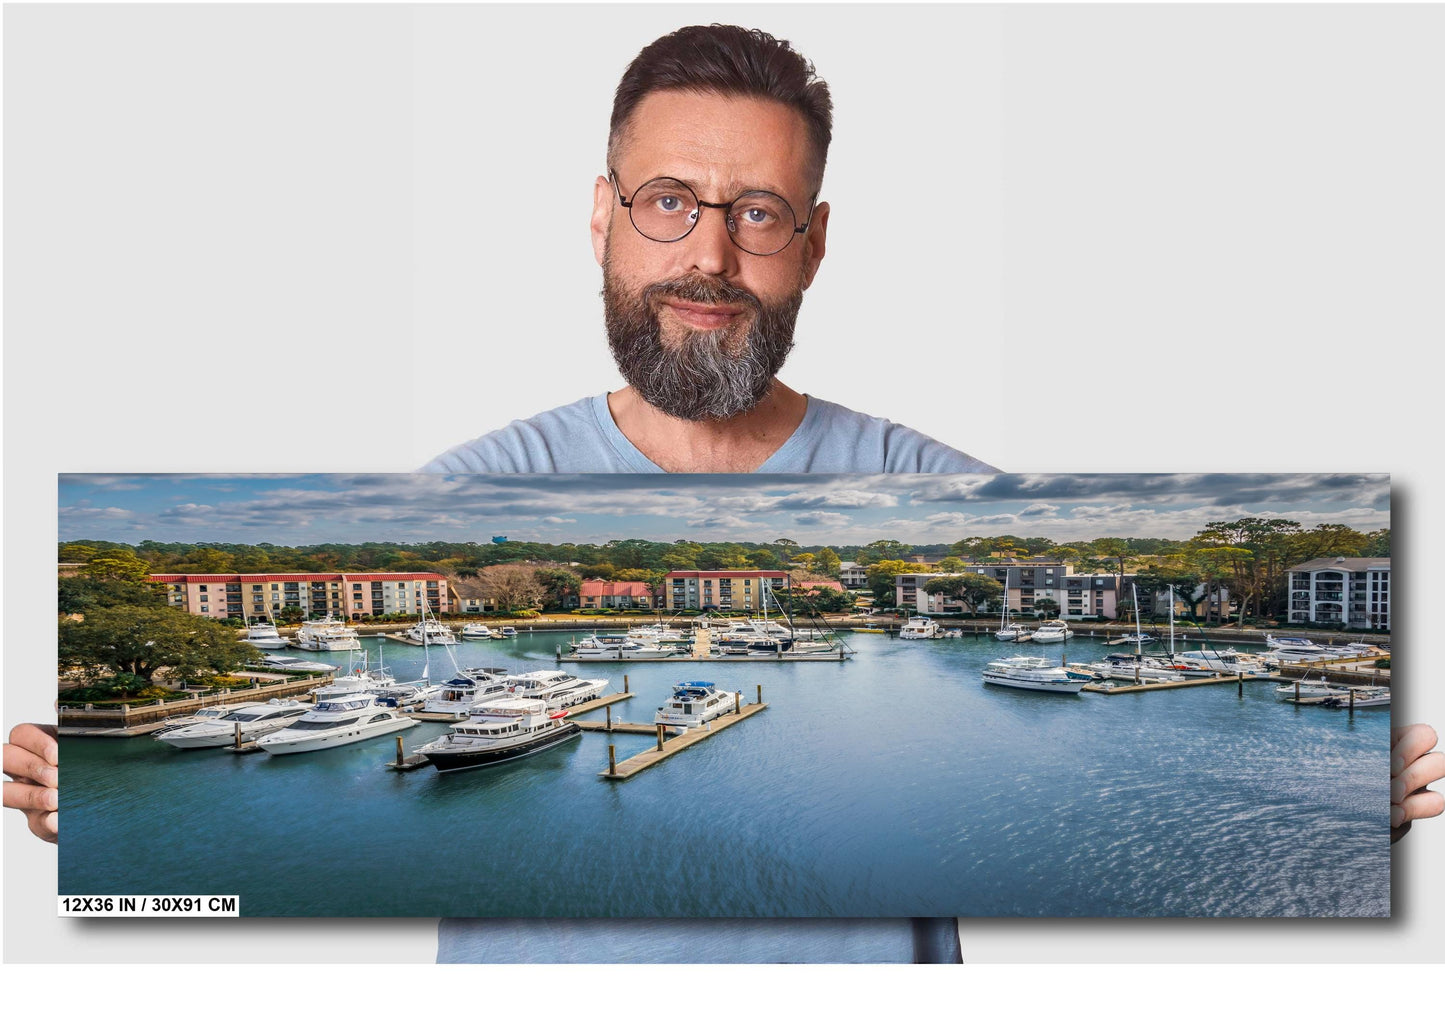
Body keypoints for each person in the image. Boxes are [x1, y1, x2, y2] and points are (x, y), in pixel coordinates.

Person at [9, 23, 1443, 963]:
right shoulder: (461, 489)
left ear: (811, 243)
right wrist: (106, 815)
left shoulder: (944, 491)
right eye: (668, 201)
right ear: (601, 214)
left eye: (756, 212)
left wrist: (1349, 798)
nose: (709, 254)